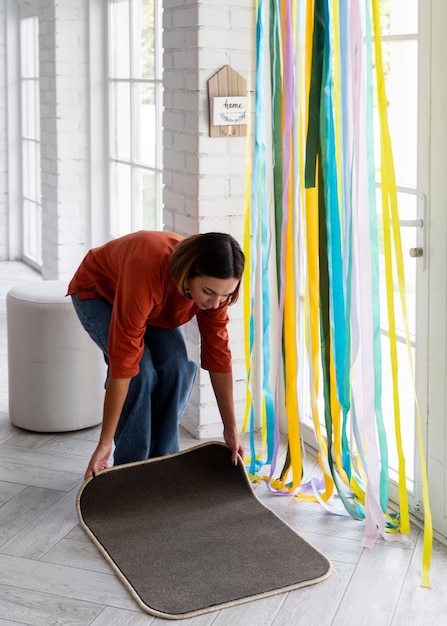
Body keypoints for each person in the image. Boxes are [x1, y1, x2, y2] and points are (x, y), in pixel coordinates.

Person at [67, 230, 245, 479]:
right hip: (99, 292)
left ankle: (163, 463)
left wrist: (230, 428)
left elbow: (219, 355)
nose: (216, 303)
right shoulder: (148, 267)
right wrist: (105, 442)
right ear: (188, 273)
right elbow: (124, 364)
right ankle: (131, 471)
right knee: (141, 373)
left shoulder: (215, 294)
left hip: (150, 306)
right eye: (208, 292)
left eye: (225, 294)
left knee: (178, 368)